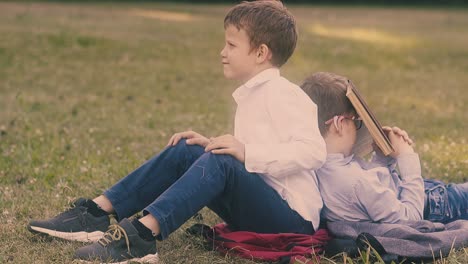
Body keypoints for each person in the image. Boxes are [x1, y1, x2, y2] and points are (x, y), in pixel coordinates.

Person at [28, 1, 327, 263]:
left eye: (232, 46)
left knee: (220, 160)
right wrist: (212, 146)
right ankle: (96, 214)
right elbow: (251, 164)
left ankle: (143, 237)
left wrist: (245, 151)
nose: (222, 53)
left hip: (292, 220)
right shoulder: (253, 94)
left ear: (261, 52)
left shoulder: (284, 94)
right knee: (189, 147)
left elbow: (314, 152)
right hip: (263, 205)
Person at [300, 71, 468, 226]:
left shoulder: (319, 167)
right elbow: (411, 219)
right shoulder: (355, 182)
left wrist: (383, 157)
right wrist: (407, 158)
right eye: (356, 121)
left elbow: (372, 194)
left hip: (416, 192)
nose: (359, 127)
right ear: (339, 124)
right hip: (434, 205)